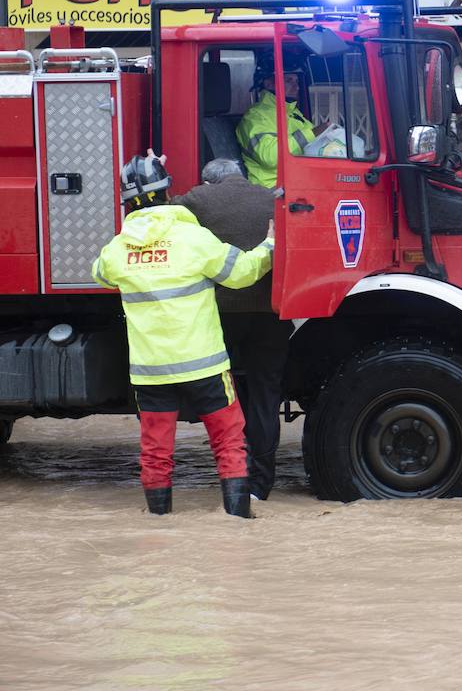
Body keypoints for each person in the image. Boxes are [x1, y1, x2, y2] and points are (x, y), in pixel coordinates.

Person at [91, 151, 274, 517]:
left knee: (156, 450)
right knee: (228, 442)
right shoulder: (192, 239)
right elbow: (243, 273)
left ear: (127, 203)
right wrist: (269, 244)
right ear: (166, 193)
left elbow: (100, 272)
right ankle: (238, 520)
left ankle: (160, 522)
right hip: (204, 367)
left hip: (151, 371)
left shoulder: (118, 249)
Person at [176, 158, 293, 501]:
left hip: (220, 318)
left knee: (224, 397)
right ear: (240, 176)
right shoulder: (271, 198)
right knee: (265, 395)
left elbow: (157, 217)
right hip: (271, 316)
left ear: (209, 182)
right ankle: (262, 483)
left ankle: (233, 476)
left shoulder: (197, 199)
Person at [235, 55, 319, 188]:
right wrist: (313, 133)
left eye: (297, 82)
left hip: (295, 183)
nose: (296, 87)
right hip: (272, 190)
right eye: (289, 80)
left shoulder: (291, 112)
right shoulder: (255, 118)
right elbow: (271, 157)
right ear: (268, 83)